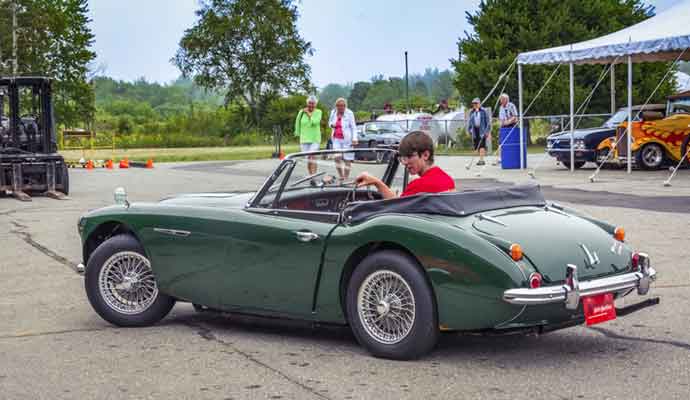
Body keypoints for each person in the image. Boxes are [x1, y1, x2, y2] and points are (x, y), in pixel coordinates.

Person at [355, 131, 455, 199]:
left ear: (425, 155)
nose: (404, 162)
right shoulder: (448, 180)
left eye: (409, 156)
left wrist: (376, 182)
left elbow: (395, 207)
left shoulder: (418, 185)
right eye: (403, 158)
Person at [329, 98, 358, 180]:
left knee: (347, 159)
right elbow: (329, 122)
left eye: (342, 106)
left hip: (347, 139)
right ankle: (341, 175)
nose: (341, 107)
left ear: (345, 106)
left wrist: (354, 138)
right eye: (338, 106)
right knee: (336, 157)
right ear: (336, 106)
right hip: (336, 139)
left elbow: (353, 127)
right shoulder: (333, 112)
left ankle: (346, 177)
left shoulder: (349, 113)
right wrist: (332, 125)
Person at [294, 95, 322, 175]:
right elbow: (297, 122)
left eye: (313, 103)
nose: (311, 105)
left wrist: (309, 114)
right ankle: (311, 176)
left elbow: (315, 122)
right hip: (304, 138)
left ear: (315, 104)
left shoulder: (318, 112)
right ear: (307, 103)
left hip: (315, 139)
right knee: (308, 159)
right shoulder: (301, 112)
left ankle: (314, 175)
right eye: (309, 103)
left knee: (312, 156)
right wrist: (297, 133)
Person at [467, 97, 491, 166]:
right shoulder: (472, 112)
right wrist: (469, 130)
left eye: (476, 103)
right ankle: (479, 159)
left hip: (482, 131)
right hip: (475, 130)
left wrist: (487, 132)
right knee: (476, 146)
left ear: (479, 103)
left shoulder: (484, 111)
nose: (475, 105)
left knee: (482, 145)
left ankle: (481, 160)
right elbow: (470, 122)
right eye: (474, 104)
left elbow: (488, 122)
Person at [497, 93, 518, 164]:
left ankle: (512, 157)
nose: (501, 101)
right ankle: (500, 158)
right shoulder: (501, 107)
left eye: (502, 99)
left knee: (511, 141)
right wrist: (502, 123)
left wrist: (508, 122)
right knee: (501, 142)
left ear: (506, 100)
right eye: (500, 100)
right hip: (504, 125)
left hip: (512, 125)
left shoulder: (511, 106)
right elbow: (501, 118)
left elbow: (515, 116)